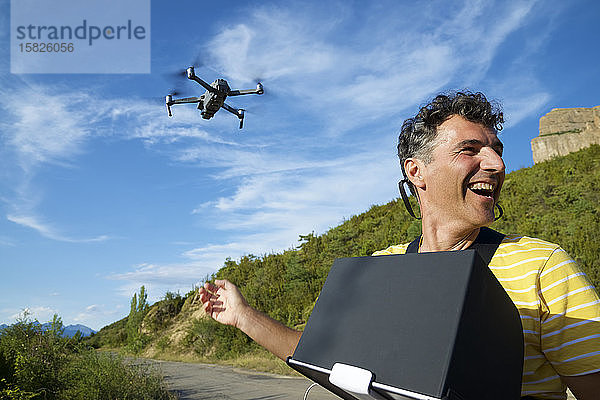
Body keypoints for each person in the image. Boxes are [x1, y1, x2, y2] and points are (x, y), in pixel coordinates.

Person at [197, 91, 600, 400]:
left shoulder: (544, 265)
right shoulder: (383, 267)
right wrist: (243, 316)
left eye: (497, 150)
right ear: (416, 172)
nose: (496, 164)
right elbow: (325, 358)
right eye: (470, 150)